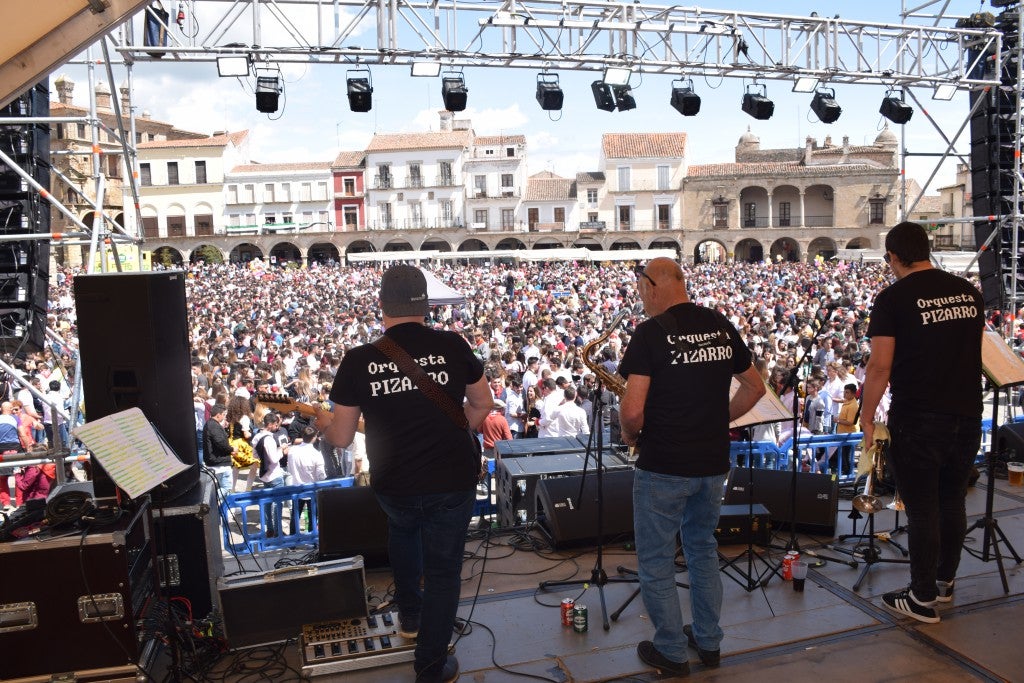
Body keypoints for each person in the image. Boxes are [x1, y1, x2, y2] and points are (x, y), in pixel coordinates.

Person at [316, 264, 492, 683]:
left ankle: (410, 617)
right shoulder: (453, 344)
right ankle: (431, 665)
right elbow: (484, 404)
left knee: (404, 535)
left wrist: (321, 421)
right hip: (451, 479)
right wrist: (457, 426)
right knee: (445, 569)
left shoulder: (359, 360)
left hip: (394, 483)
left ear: (382, 306)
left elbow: (340, 438)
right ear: (426, 304)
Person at [619, 258, 765, 677]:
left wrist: (631, 438)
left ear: (651, 286)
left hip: (664, 464)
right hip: (712, 463)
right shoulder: (720, 324)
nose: (640, 297)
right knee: (702, 550)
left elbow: (632, 412)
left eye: (640, 288)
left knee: (657, 560)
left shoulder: (649, 334)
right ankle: (709, 640)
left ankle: (670, 650)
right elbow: (755, 388)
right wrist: (719, 419)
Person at [860, 221, 984, 624]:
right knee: (952, 500)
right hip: (967, 413)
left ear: (894, 256)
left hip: (918, 418)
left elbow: (879, 366)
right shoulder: (969, 292)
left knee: (922, 509)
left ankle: (921, 597)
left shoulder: (893, 299)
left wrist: (866, 417)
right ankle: (945, 584)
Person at [253, 412, 289, 538]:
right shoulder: (269, 439)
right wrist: (282, 450)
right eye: (275, 424)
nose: (277, 427)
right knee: (277, 504)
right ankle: (278, 531)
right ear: (270, 424)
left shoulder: (257, 437)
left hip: (265, 475)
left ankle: (270, 529)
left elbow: (255, 455)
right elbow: (274, 459)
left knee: (268, 503)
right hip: (274, 474)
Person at [286, 425, 326, 534]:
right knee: (313, 515)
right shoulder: (316, 455)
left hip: (297, 486)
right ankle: (311, 539)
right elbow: (321, 475)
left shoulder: (292, 451)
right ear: (314, 437)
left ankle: (292, 541)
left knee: (295, 515)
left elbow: (290, 468)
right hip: (312, 489)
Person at [202, 403, 235, 496]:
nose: (225, 417)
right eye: (224, 415)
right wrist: (231, 449)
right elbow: (220, 443)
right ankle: (211, 501)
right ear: (218, 415)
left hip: (216, 461)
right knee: (226, 488)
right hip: (219, 463)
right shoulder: (213, 426)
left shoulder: (211, 424)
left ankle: (224, 509)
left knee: (223, 488)